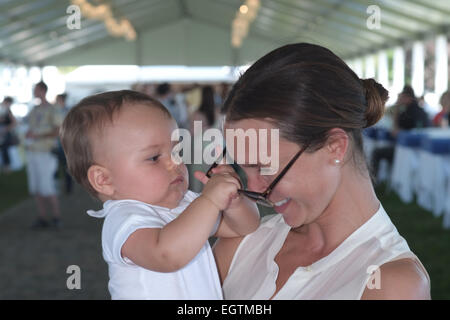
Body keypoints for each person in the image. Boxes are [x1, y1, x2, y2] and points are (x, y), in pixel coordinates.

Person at [209, 43, 430, 299]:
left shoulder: (390, 285)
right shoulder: (241, 243)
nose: (255, 189)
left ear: (334, 147)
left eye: (263, 166)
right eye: (242, 168)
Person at [59, 90, 259, 299]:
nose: (175, 163)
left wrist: (233, 201)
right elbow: (166, 255)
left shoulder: (186, 203)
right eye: (154, 158)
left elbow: (244, 227)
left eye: (176, 151)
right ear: (104, 180)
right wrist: (210, 201)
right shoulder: (124, 220)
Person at [370, 85, 430, 181]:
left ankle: (374, 181)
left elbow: (394, 132)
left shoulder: (406, 112)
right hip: (424, 154)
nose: (400, 99)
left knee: (376, 152)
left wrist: (397, 110)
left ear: (407, 97)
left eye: (401, 97)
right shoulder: (422, 111)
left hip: (406, 153)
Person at [25, 81, 63, 229]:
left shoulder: (53, 109)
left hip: (46, 153)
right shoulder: (34, 110)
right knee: (36, 186)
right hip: (32, 152)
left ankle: (56, 216)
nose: (34, 92)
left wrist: (37, 136)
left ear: (42, 90)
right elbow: (31, 129)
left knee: (47, 186)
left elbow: (58, 131)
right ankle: (42, 217)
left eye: (36, 89)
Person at [53, 93, 73, 194]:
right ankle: (56, 187)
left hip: (65, 143)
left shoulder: (68, 111)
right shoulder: (54, 111)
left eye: (58, 100)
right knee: (55, 167)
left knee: (66, 167)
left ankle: (68, 187)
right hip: (56, 143)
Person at [0, 96, 18, 172]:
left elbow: (14, 123)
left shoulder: (8, 111)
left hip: (5, 134)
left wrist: (5, 129)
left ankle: (7, 166)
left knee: (5, 149)